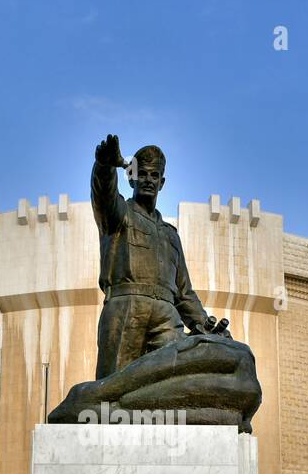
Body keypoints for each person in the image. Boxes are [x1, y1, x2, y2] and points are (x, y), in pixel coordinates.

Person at [90, 133, 228, 379]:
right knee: (112, 386)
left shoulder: (170, 235)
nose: (148, 180)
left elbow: (184, 293)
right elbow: (104, 194)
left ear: (162, 182)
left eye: (154, 175)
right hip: (126, 308)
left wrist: (204, 325)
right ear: (131, 178)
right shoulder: (118, 214)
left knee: (178, 375)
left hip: (166, 314)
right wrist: (104, 166)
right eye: (142, 174)